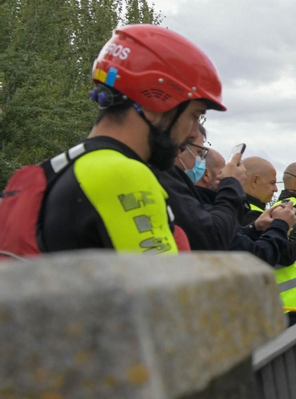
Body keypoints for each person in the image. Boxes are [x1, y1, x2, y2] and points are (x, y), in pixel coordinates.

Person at [1, 25, 224, 257]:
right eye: (194, 115)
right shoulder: (123, 174)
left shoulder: (65, 166)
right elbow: (168, 290)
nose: (191, 133)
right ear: (158, 103)